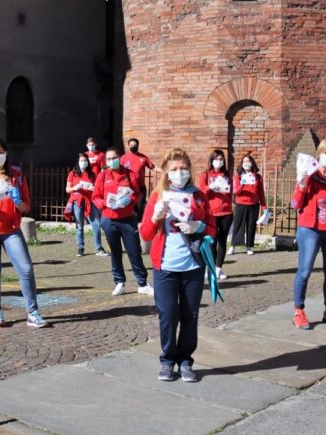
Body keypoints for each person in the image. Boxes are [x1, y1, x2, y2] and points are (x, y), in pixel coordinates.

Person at [141, 148, 216, 382]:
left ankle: (185, 360)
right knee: (167, 314)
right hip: (165, 265)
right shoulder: (158, 196)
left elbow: (213, 228)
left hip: (193, 265)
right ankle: (167, 360)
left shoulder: (199, 196)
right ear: (166, 172)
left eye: (183, 168)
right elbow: (145, 233)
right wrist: (155, 217)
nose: (179, 173)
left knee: (190, 315)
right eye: (174, 169)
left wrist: (200, 227)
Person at [0, 138, 47, 328]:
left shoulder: (17, 176)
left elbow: (26, 207)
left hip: (11, 229)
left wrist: (17, 201)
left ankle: (33, 312)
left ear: (6, 153)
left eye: (0, 153)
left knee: (26, 269)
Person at [290, 139, 326, 330]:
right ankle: (298, 311)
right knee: (305, 270)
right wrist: (301, 183)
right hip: (310, 229)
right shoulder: (310, 174)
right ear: (318, 154)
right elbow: (295, 204)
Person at [92, 148, 154, 296]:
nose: (111, 161)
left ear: (119, 158)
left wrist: (129, 200)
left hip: (127, 219)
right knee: (115, 252)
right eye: (108, 159)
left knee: (134, 251)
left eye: (114, 158)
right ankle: (119, 282)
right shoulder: (102, 176)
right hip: (109, 219)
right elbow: (95, 197)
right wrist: (106, 204)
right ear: (106, 161)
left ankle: (143, 283)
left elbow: (137, 193)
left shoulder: (129, 174)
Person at [197, 149, 233, 280]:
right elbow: (201, 191)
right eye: (216, 159)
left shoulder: (227, 174)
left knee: (222, 241)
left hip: (226, 212)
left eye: (221, 159)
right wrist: (210, 188)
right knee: (211, 241)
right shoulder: (206, 174)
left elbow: (230, 192)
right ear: (211, 160)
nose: (219, 161)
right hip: (211, 212)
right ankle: (210, 267)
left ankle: (219, 268)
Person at [65, 153, 106, 256]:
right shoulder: (72, 173)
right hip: (77, 200)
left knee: (96, 224)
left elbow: (97, 188)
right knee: (79, 225)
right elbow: (67, 189)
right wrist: (75, 188)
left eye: (85, 161)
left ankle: (99, 248)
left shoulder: (92, 174)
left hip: (90, 200)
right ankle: (80, 247)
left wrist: (92, 188)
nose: (84, 162)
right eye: (81, 160)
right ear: (78, 162)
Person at [229, 153, 266, 255]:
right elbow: (235, 192)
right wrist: (242, 184)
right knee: (238, 225)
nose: (246, 163)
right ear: (242, 164)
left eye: (248, 161)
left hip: (254, 204)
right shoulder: (238, 176)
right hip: (241, 203)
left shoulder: (258, 177)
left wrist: (264, 206)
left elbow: (261, 192)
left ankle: (249, 246)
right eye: (244, 161)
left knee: (251, 226)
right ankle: (233, 246)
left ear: (252, 163)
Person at [120, 137, 155, 222]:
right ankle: (130, 220)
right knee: (129, 204)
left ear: (138, 145)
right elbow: (119, 171)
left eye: (135, 145)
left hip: (140, 186)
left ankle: (138, 222)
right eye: (131, 145)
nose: (133, 146)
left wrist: (164, 171)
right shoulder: (124, 157)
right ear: (128, 146)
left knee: (140, 205)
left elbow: (153, 167)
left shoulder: (143, 157)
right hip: (129, 186)